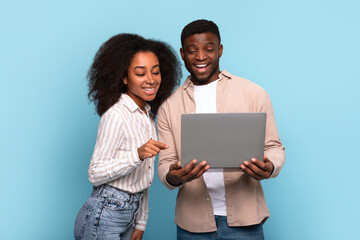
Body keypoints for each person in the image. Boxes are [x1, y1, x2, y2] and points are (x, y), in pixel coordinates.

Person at [157, 19, 285, 239]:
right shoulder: (169, 105)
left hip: (246, 222)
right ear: (182, 53)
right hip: (192, 225)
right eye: (191, 50)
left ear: (220, 50)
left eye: (209, 49)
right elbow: (165, 163)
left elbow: (274, 147)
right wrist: (174, 177)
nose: (200, 57)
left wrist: (269, 166)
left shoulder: (254, 93)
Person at [74, 33, 181, 240]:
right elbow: (94, 173)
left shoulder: (148, 117)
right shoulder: (116, 115)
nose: (151, 80)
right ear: (124, 77)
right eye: (140, 73)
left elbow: (144, 179)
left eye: (156, 72)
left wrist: (141, 222)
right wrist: (137, 155)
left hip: (129, 215)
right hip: (104, 215)